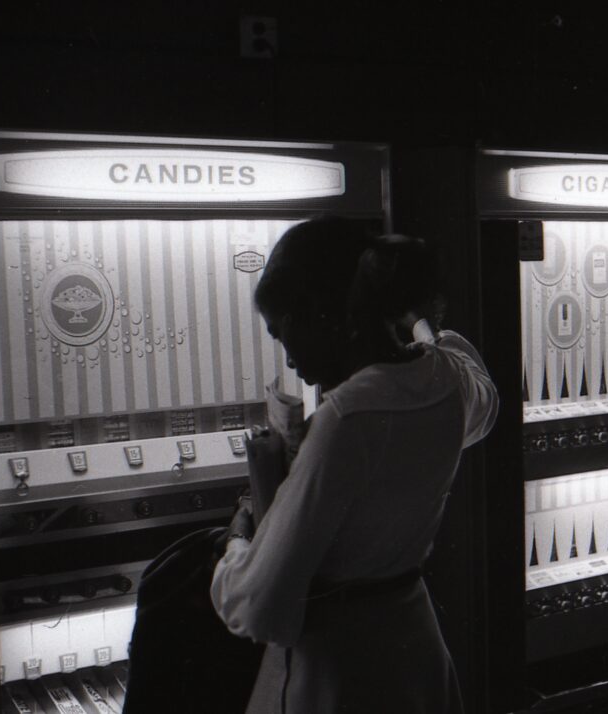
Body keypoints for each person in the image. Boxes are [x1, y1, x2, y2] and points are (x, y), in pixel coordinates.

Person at [209, 216, 498, 714]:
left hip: (341, 668)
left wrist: (241, 536)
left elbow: (257, 607)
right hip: (414, 641)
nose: (289, 357)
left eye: (282, 332)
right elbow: (477, 389)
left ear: (321, 315)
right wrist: (411, 319)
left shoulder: (344, 417)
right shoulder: (449, 379)